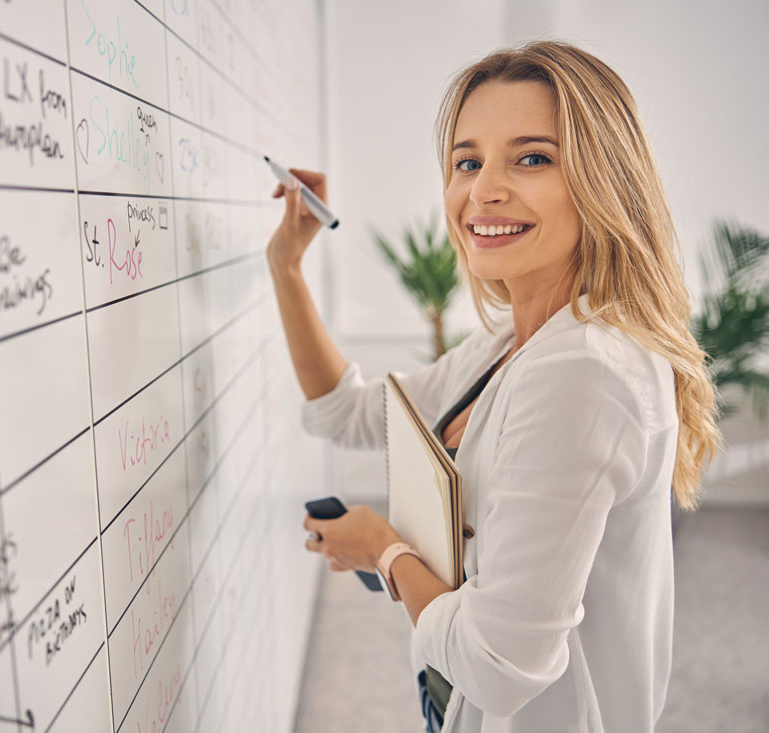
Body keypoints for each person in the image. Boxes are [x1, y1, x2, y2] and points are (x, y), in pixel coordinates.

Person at [266, 41, 719, 732]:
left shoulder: (584, 371)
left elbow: (498, 663)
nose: (484, 189)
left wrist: (384, 553)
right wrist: (287, 268)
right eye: (467, 161)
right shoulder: (511, 342)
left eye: (532, 157)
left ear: (605, 180)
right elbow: (350, 413)